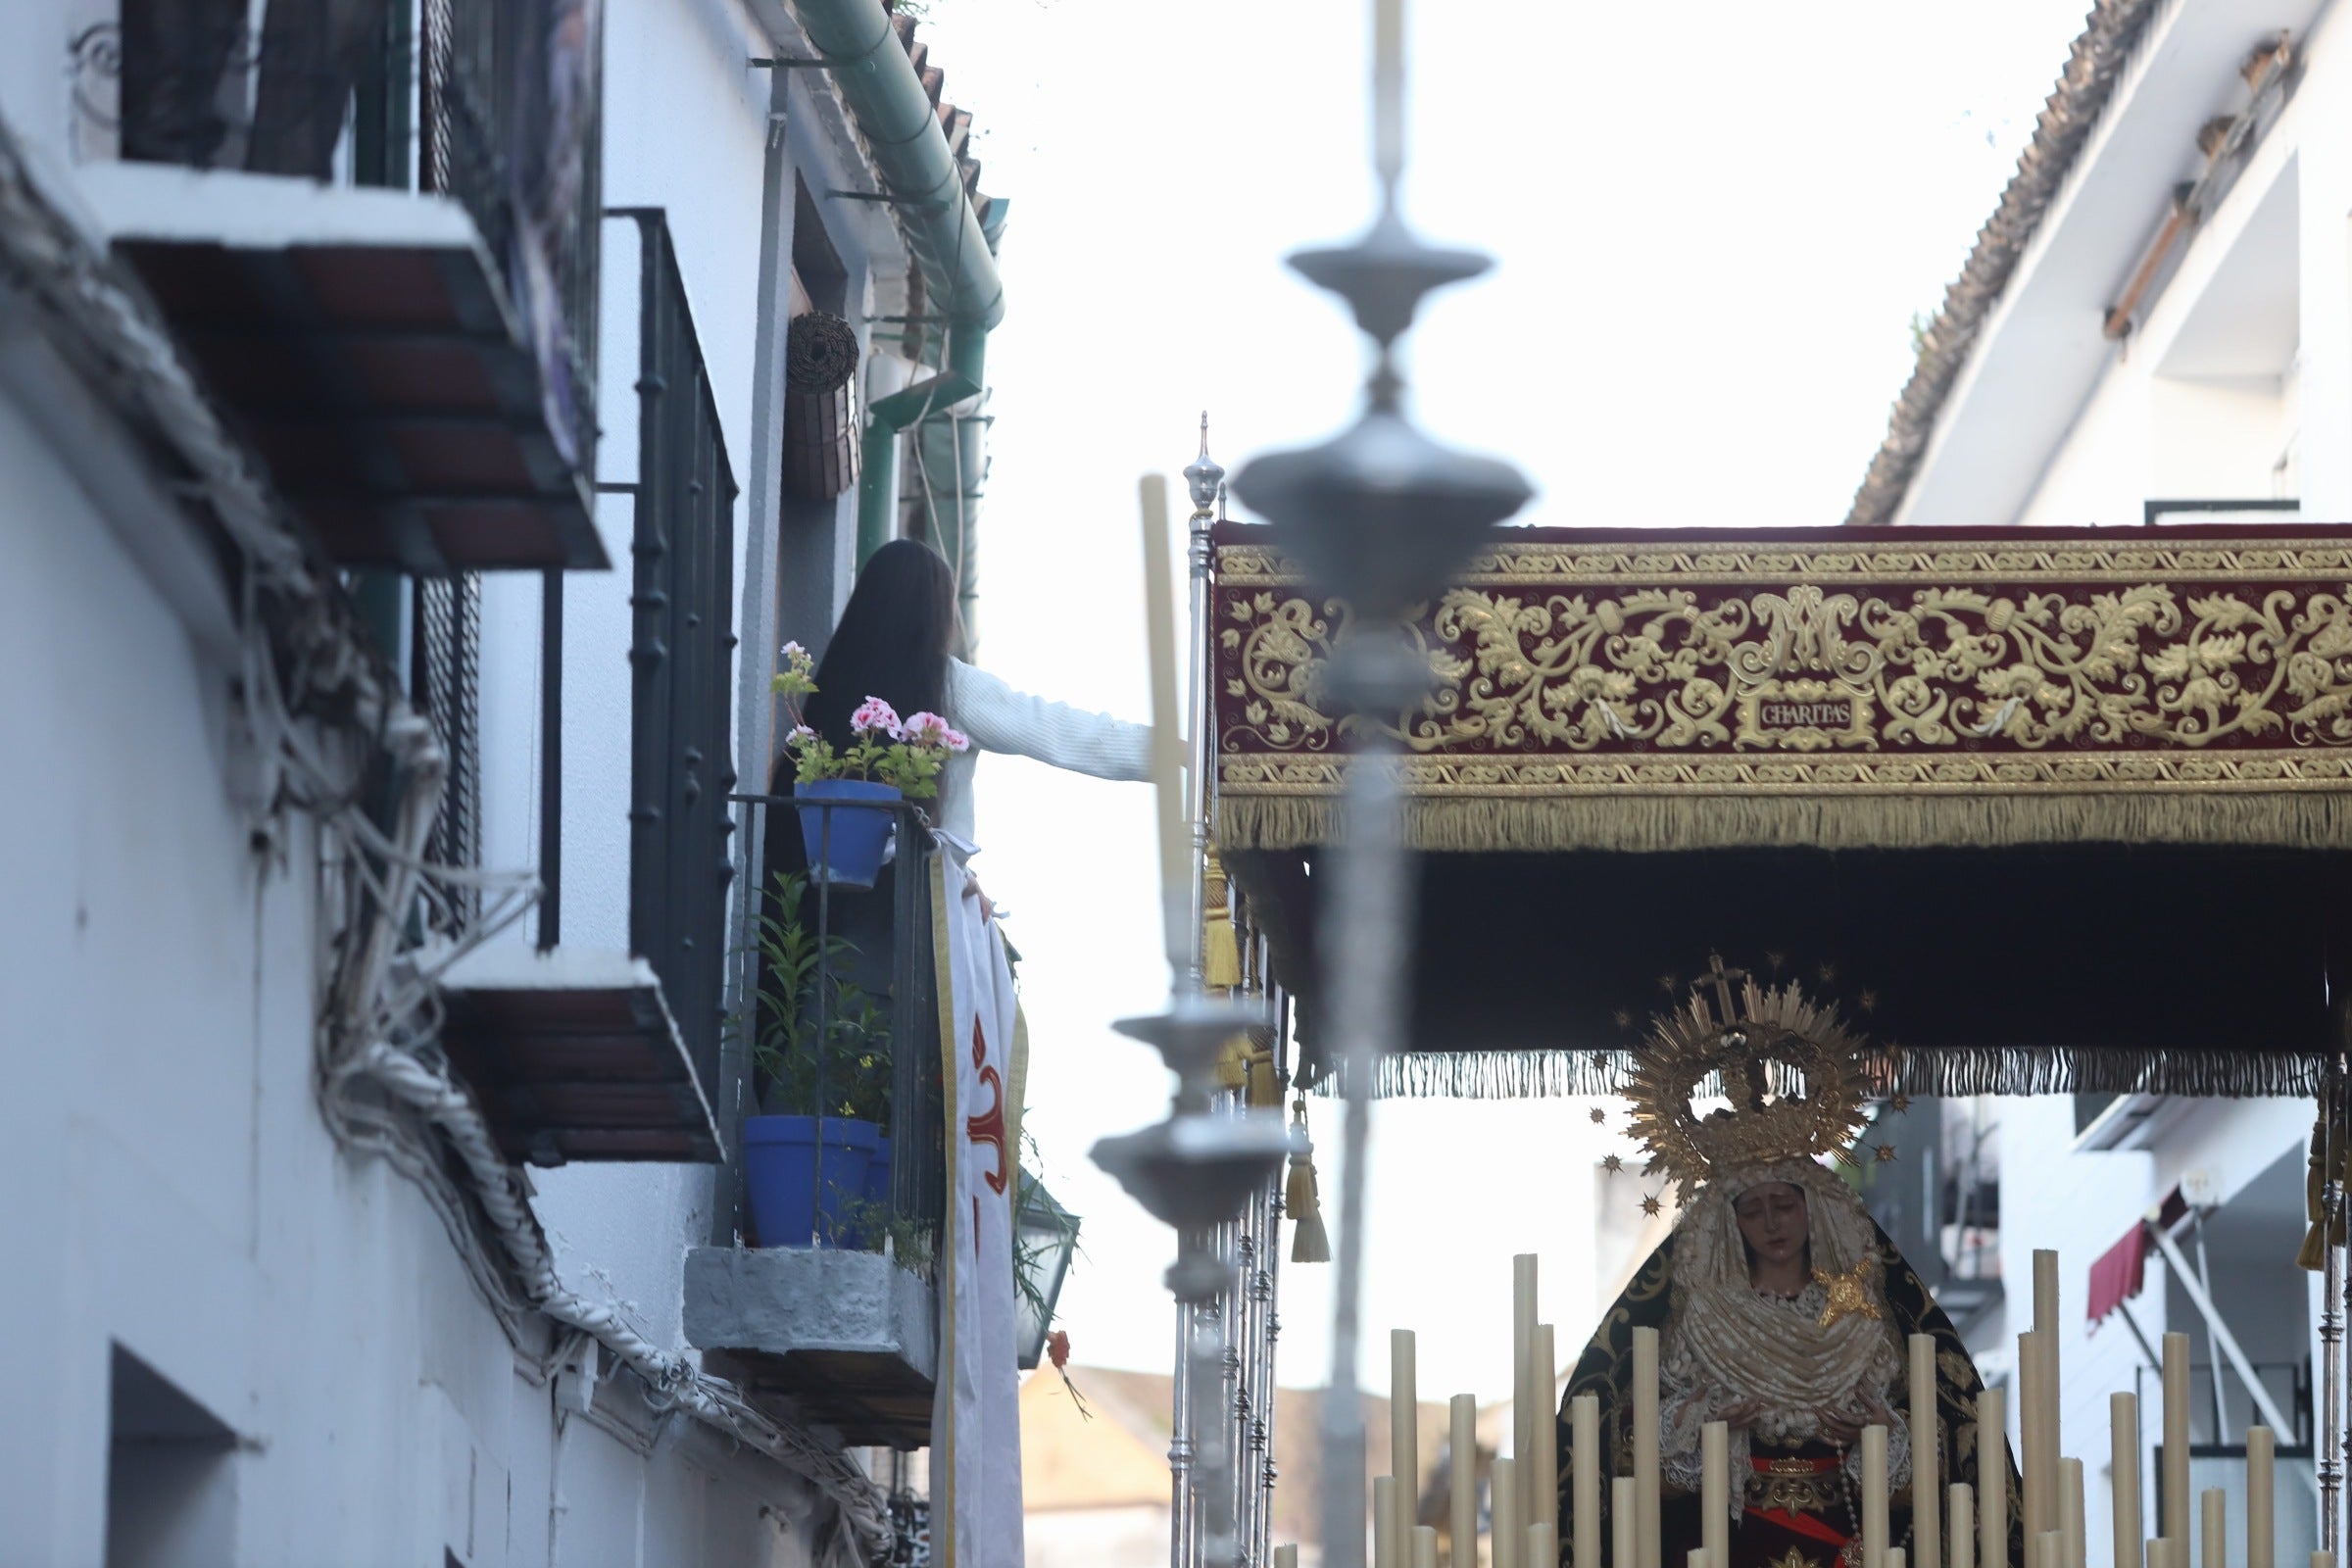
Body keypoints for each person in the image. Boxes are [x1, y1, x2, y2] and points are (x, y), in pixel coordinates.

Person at [1559, 975, 2023, 1568]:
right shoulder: (1703, 1315)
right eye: (1752, 1210)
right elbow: (1628, 1452)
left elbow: (1942, 1451)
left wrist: (1881, 1436)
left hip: (1852, 1539)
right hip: (1729, 1543)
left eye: (1785, 1204)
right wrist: (1698, 1427)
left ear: (1814, 1208)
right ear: (1730, 1225)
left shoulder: (1867, 1308)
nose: (1772, 1223)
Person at [770, 537, 1150, 849]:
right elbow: (1059, 732)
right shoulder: (951, 684)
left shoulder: (837, 677)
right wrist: (1172, 752)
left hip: (811, 909)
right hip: (916, 912)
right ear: (934, 615)